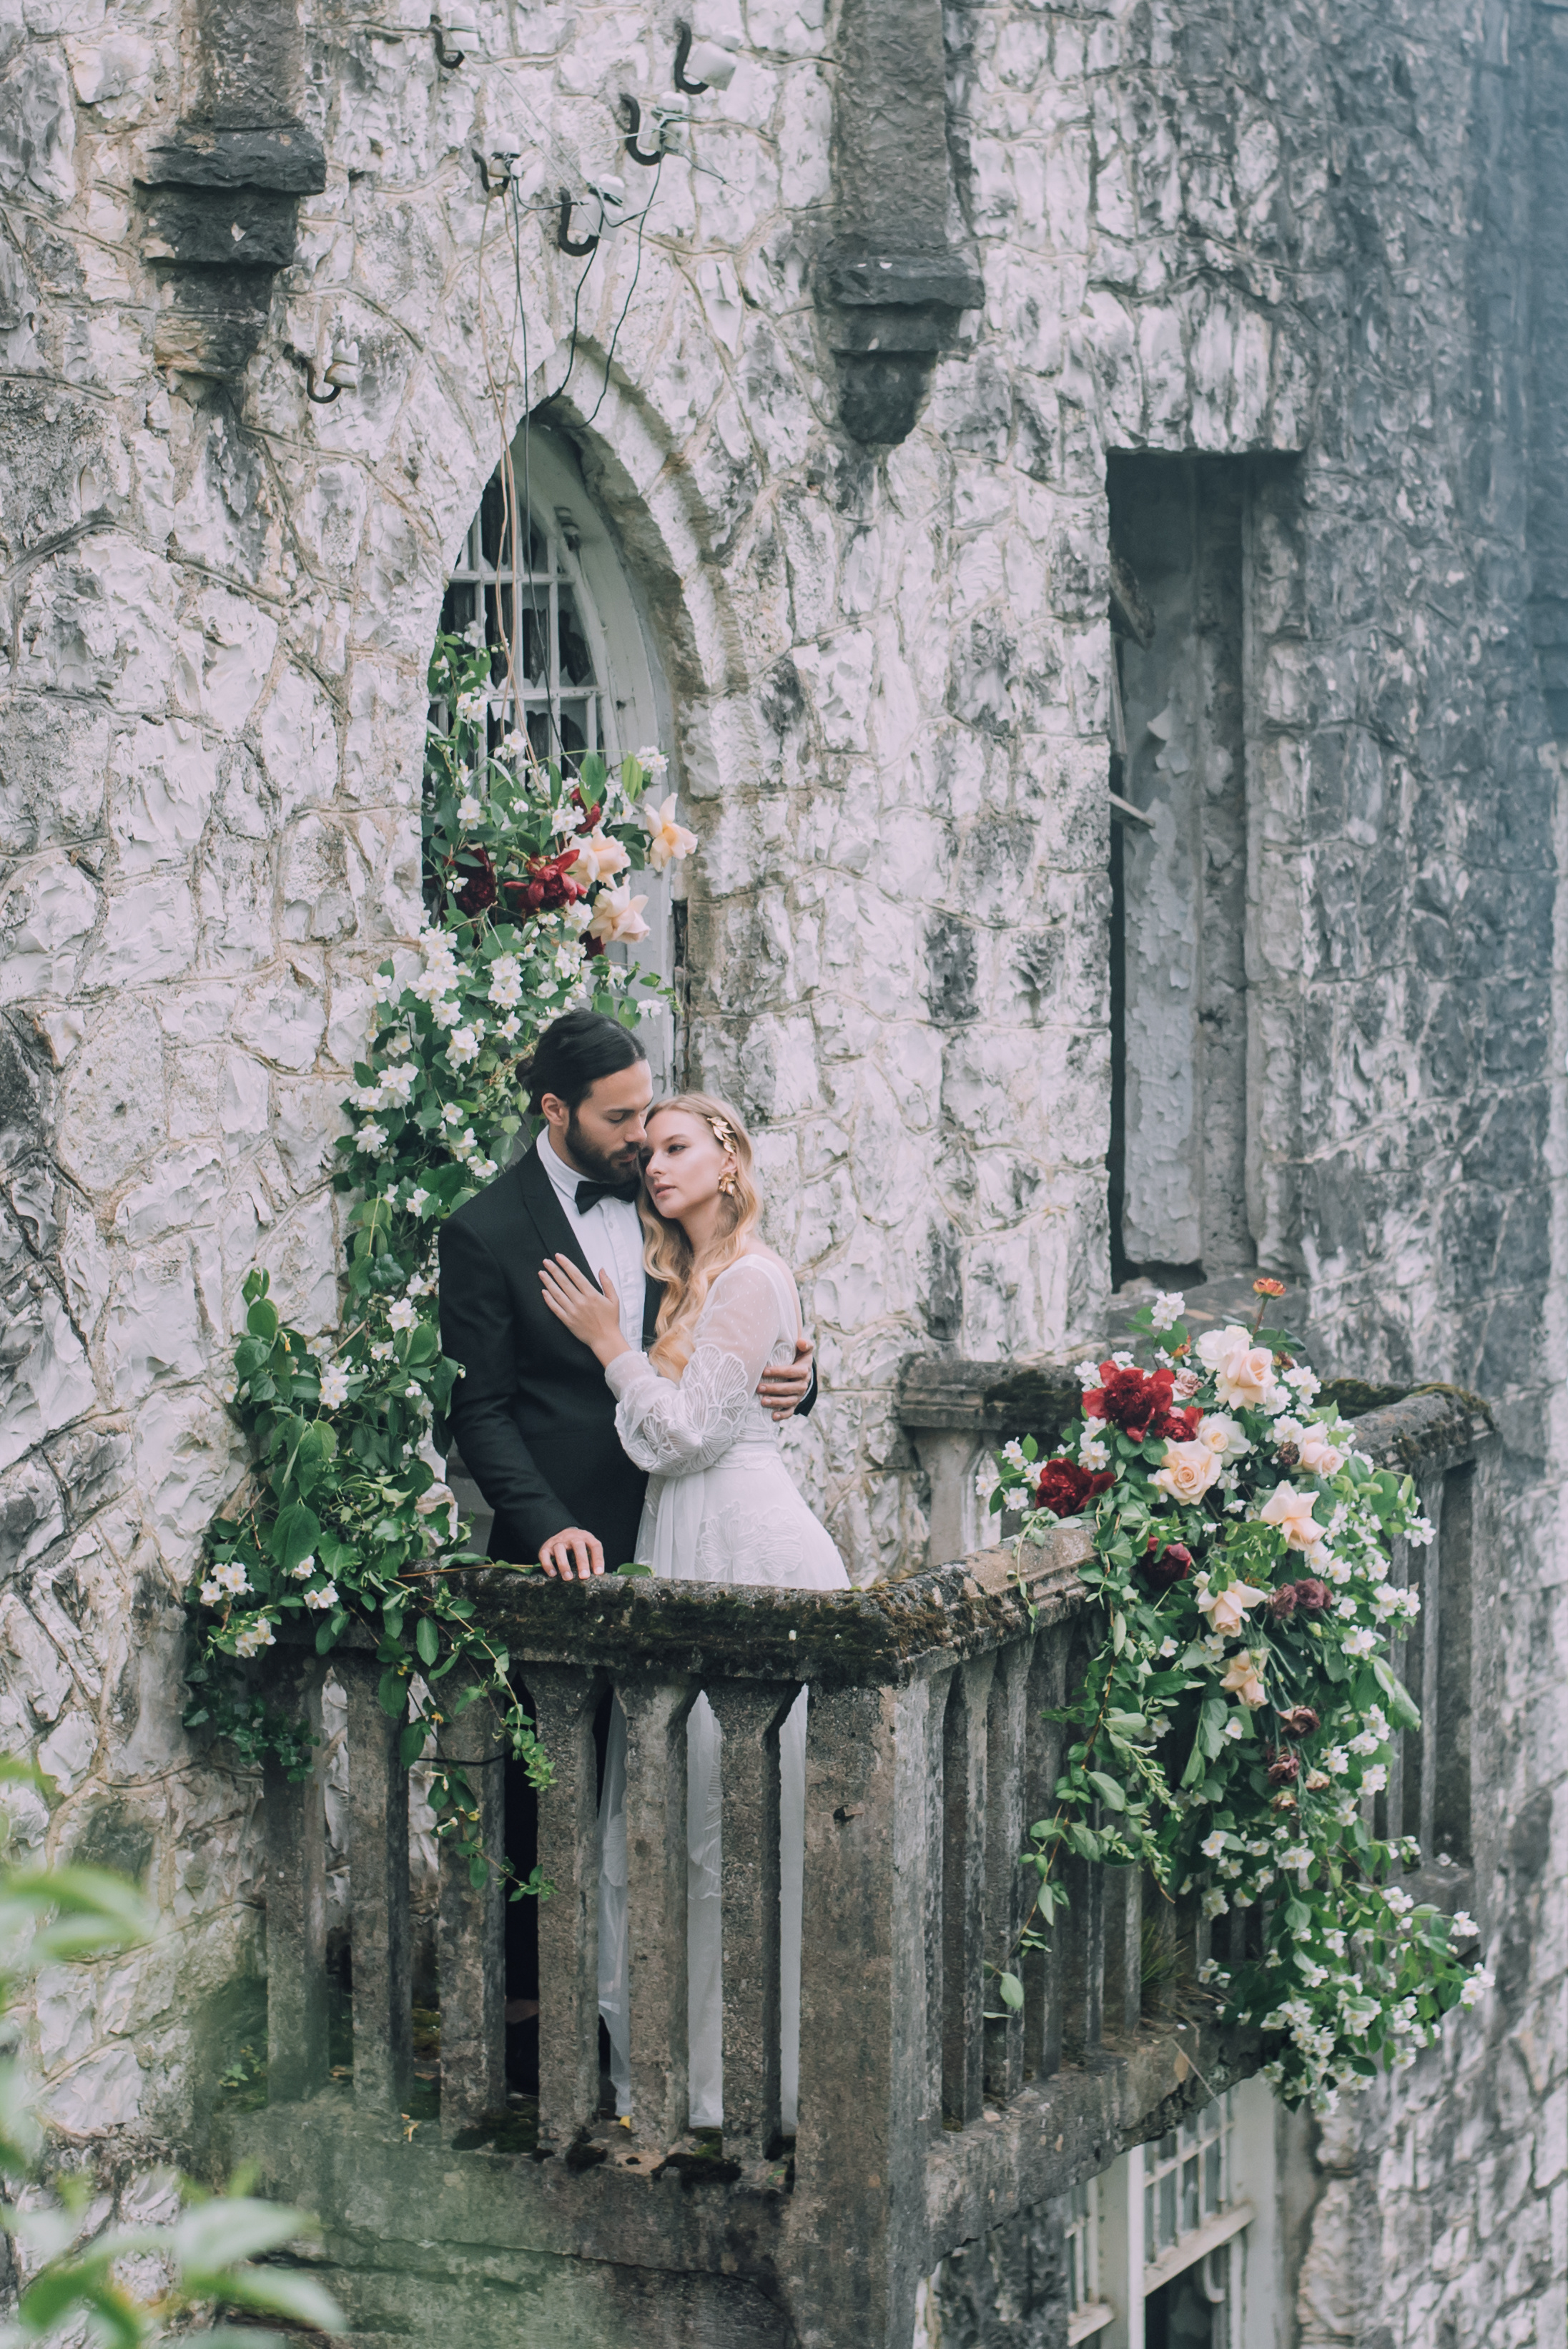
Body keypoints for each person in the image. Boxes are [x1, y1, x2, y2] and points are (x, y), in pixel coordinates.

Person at [538, 1092, 849, 2134]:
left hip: (744, 1539)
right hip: (683, 1531)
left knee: (734, 1821)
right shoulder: (689, 1273)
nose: (653, 1165)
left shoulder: (752, 1273)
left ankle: (738, 2087)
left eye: (676, 1148)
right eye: (646, 1152)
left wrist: (602, 1344)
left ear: (729, 1160)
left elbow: (682, 1436)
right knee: (684, 1822)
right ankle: (691, 2076)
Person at [437, 1011, 817, 1579]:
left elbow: (738, 1290)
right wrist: (547, 1523)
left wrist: (798, 1376)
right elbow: (481, 1411)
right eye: (618, 1117)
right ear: (556, 1110)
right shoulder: (484, 1232)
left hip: (686, 1517)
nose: (640, 1136)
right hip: (568, 1543)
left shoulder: (669, 1186)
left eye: (643, 1109)